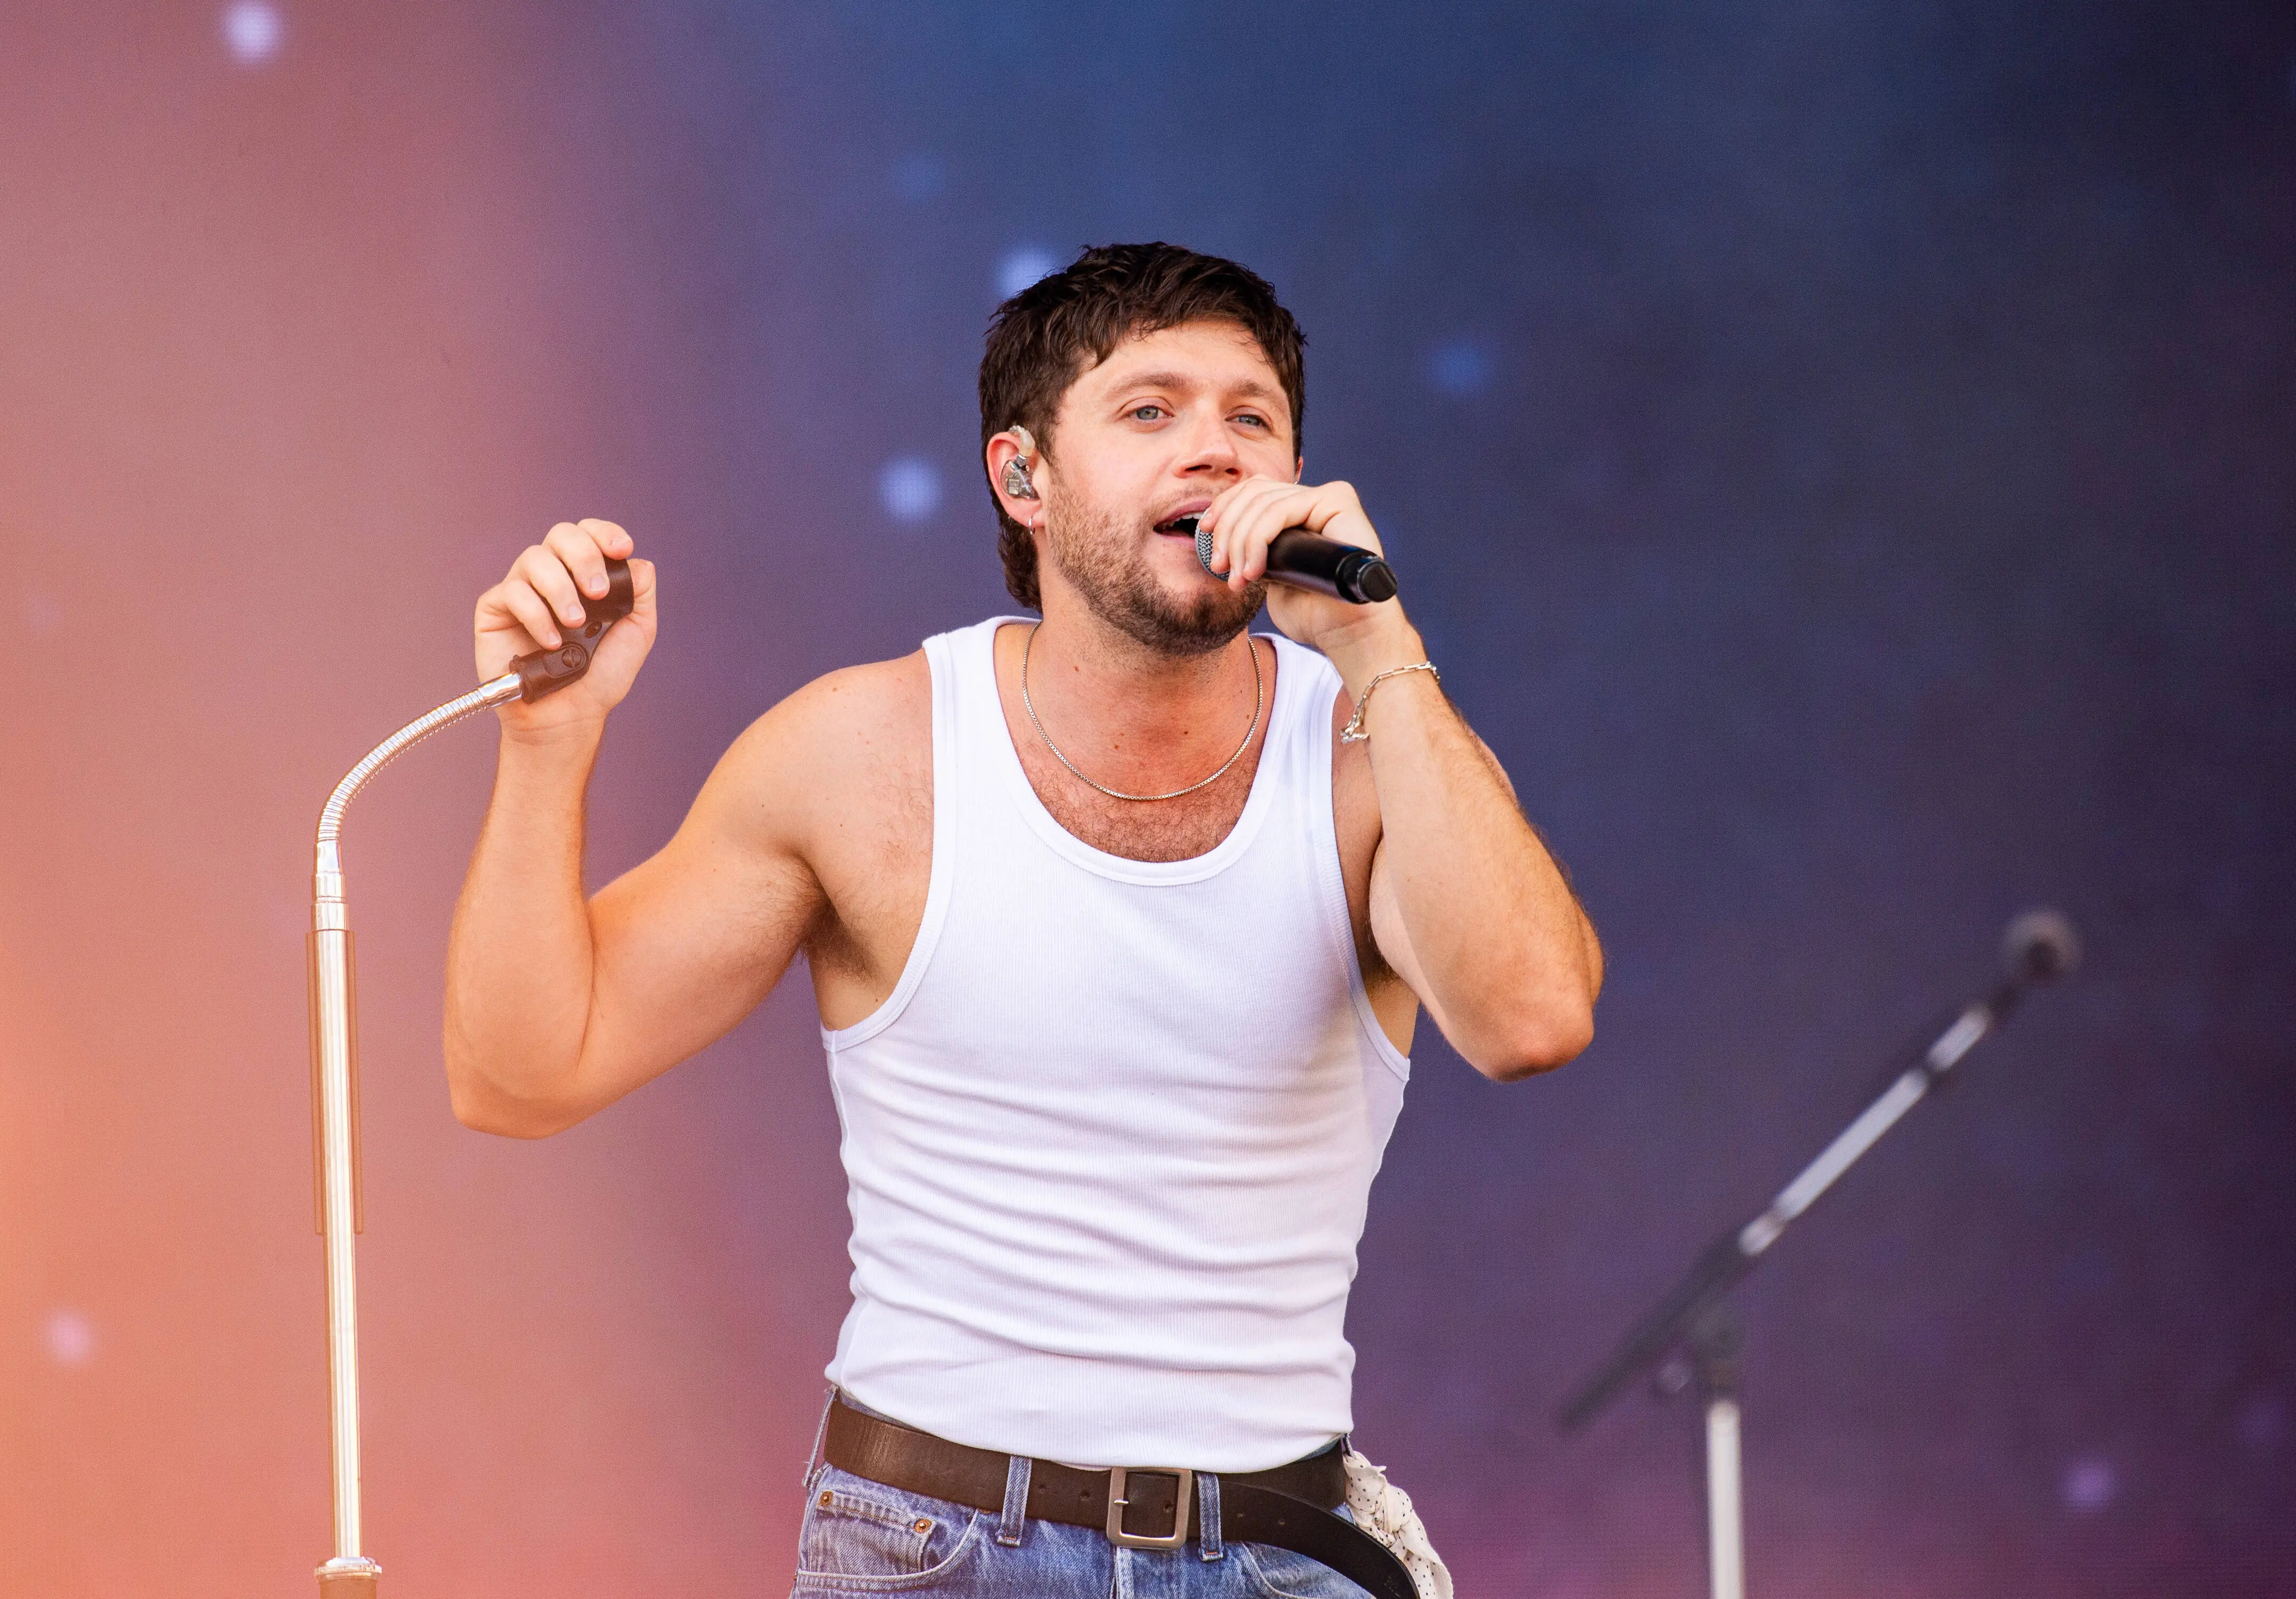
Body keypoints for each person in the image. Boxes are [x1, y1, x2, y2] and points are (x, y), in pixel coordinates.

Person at [445, 242, 1601, 1597]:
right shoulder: (859, 753)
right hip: (932, 1544)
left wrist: (1378, 643)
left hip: (1280, 1552)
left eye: (1252, 419)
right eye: (1150, 411)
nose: (1216, 452)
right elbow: (523, 1075)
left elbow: (1531, 1019)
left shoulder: (1376, 750)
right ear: (1022, 478)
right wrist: (547, 741)